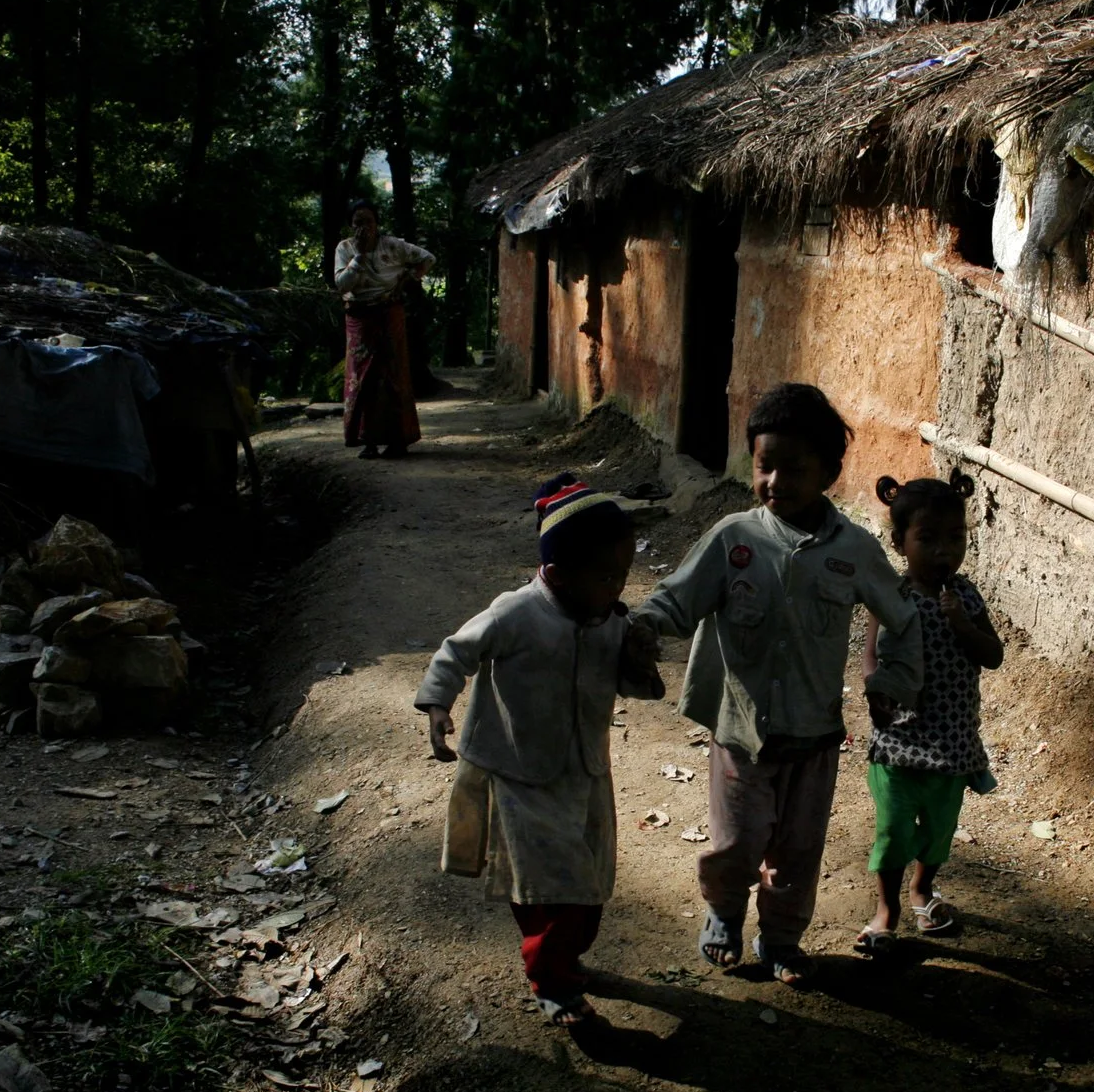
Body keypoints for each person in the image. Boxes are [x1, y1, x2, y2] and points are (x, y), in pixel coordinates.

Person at [632, 384, 923, 985]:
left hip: (813, 738)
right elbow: (676, 599)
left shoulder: (854, 551)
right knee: (737, 844)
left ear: (830, 472)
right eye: (765, 466)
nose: (776, 482)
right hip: (741, 731)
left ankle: (782, 939)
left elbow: (903, 615)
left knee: (796, 854)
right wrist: (641, 627)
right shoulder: (734, 539)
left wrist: (892, 678)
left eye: (795, 469)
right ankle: (723, 911)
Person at [415, 474, 664, 1025]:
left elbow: (629, 680)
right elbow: (456, 652)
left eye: (623, 573)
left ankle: (565, 959)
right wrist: (437, 705)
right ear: (555, 573)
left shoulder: (608, 620)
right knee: (545, 890)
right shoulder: (515, 612)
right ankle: (552, 980)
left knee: (589, 882)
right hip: (520, 776)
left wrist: (639, 655)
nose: (619, 587)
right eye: (606, 576)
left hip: (584, 772)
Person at [855, 473, 1003, 956]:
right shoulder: (891, 595)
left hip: (952, 741)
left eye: (956, 539)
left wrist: (961, 622)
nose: (945, 551)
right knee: (895, 829)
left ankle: (923, 890)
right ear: (900, 542)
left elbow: (993, 655)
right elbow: (870, 653)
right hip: (899, 739)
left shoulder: (967, 596)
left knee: (939, 830)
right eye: (929, 539)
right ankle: (886, 910)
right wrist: (875, 687)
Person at [334, 201, 434, 460]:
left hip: (390, 314)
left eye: (368, 221)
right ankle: (368, 441)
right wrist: (360, 256)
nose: (363, 227)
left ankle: (398, 440)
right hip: (359, 318)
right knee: (363, 380)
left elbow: (427, 258)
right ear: (351, 226)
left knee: (393, 377)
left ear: (377, 223)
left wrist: (406, 280)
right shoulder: (345, 249)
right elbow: (343, 284)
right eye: (358, 222)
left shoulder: (393, 246)